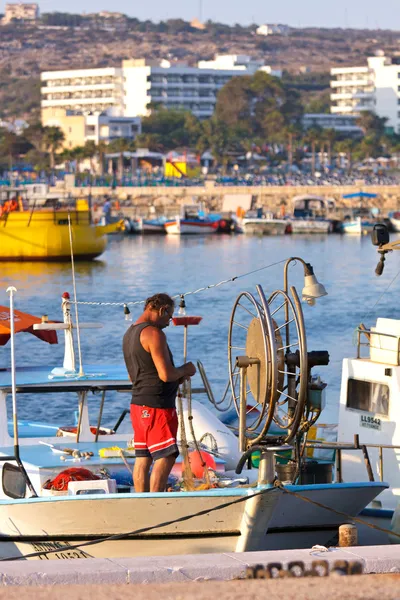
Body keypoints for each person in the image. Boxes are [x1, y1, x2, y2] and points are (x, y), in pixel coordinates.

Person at [123, 293, 196, 492]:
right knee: (166, 456)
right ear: (162, 310)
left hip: (138, 405)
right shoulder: (154, 333)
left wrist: (177, 378)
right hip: (157, 407)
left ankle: (142, 503)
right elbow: (165, 374)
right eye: (169, 316)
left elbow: (138, 376)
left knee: (143, 457)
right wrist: (186, 370)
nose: (169, 322)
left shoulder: (130, 334)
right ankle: (156, 501)